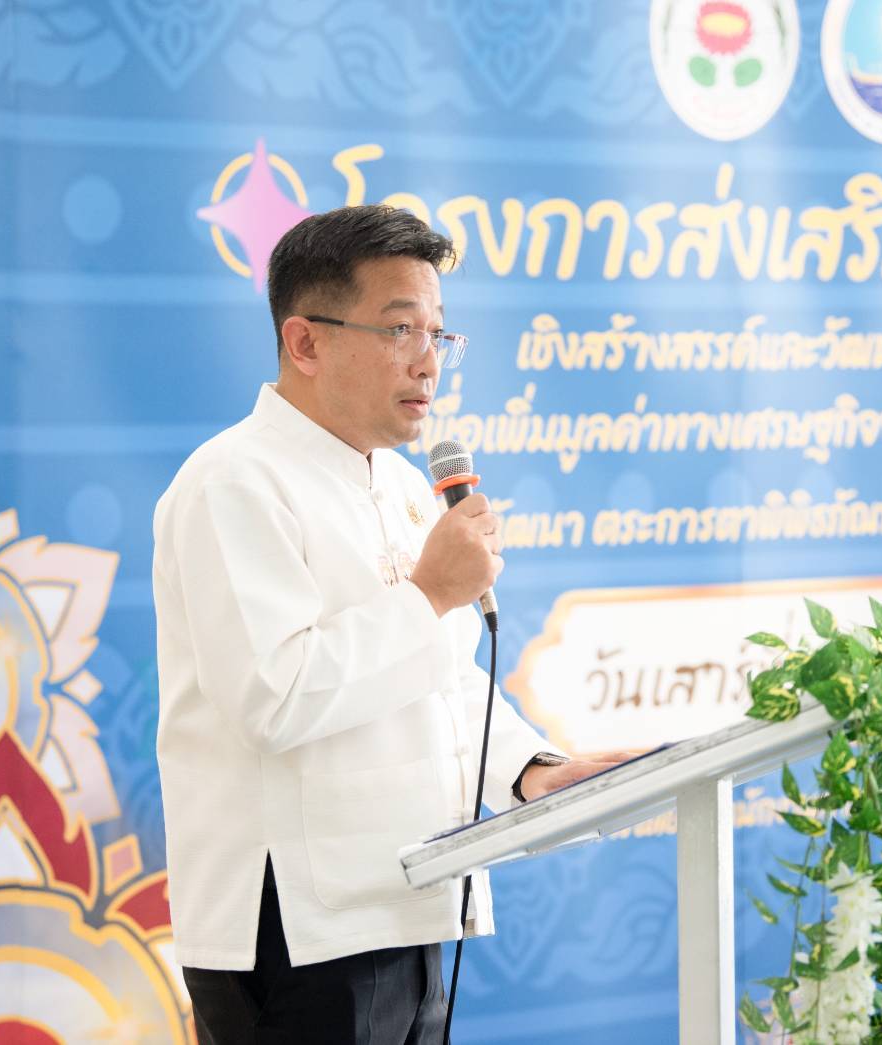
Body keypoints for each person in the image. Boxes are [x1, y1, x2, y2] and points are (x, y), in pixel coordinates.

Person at [152, 205, 626, 1043]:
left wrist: (529, 770)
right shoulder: (233, 482)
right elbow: (275, 697)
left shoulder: (404, 486)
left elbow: (440, 676)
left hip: (411, 894)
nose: (427, 360)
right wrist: (429, 594)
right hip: (296, 930)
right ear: (305, 342)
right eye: (399, 328)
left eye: (438, 334)